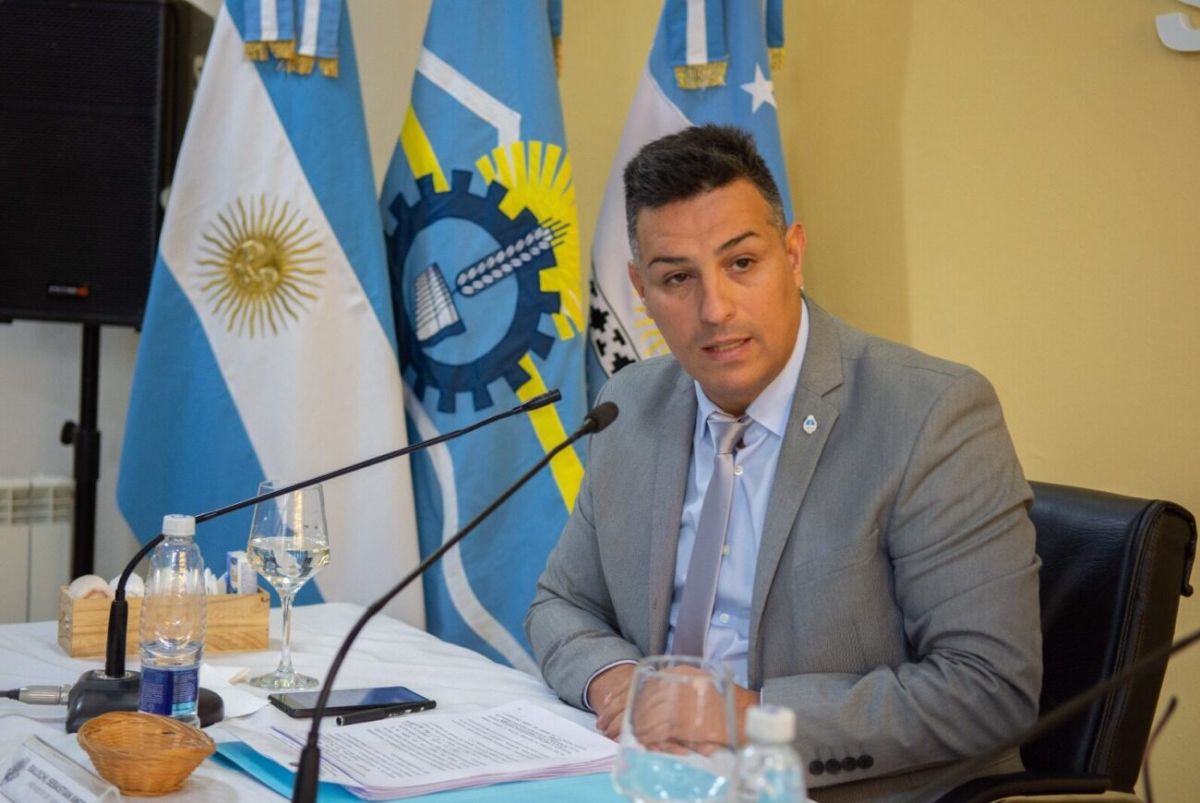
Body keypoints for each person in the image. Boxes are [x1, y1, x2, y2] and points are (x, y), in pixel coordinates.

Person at [525, 125, 1041, 802]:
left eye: (742, 263)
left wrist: (745, 717)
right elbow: (562, 603)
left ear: (793, 255)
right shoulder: (630, 407)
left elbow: (988, 689)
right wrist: (616, 679)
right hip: (652, 778)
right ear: (639, 289)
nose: (715, 309)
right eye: (677, 278)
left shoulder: (930, 414)